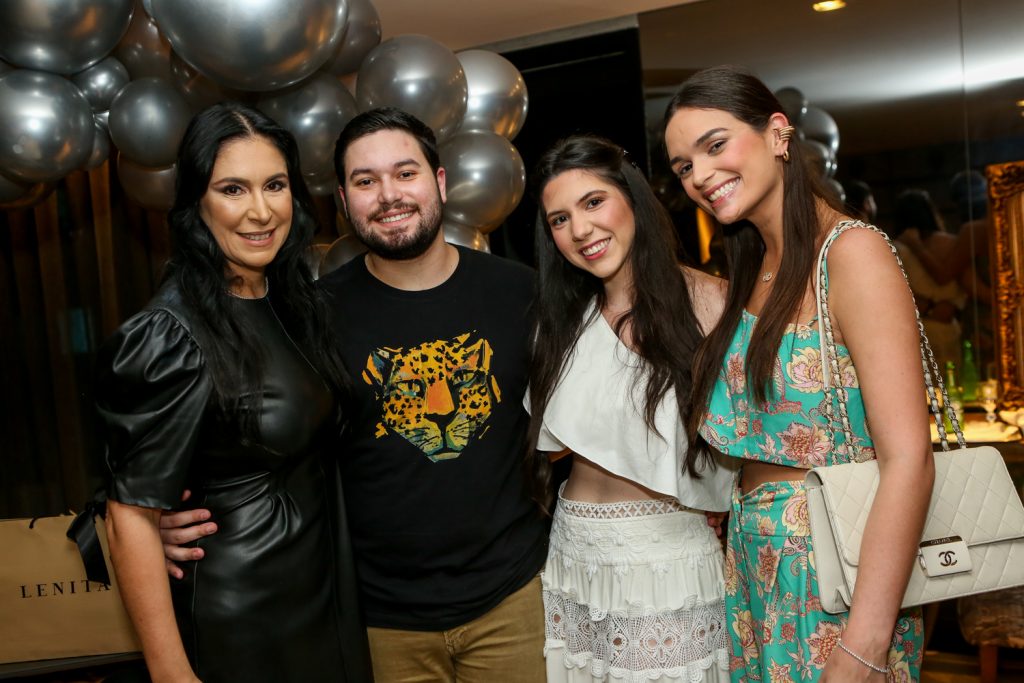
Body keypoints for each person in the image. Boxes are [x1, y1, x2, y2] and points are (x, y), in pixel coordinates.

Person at [159, 107, 550, 682]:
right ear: (343, 201)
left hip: (513, 601)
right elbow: (245, 433)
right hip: (376, 620)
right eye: (366, 181)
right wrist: (165, 520)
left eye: (405, 173)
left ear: (439, 182)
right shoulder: (309, 316)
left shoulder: (521, 293)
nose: (389, 195)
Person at [663, 66, 934, 681]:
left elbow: (909, 458)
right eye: (683, 167)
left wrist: (866, 641)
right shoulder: (756, 267)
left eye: (715, 145)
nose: (701, 176)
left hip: (839, 576)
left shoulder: (851, 252)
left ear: (778, 135)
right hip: (757, 570)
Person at [98, 103, 372, 682]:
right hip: (243, 618)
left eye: (274, 185)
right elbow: (129, 515)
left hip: (323, 600)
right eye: (232, 189)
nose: (260, 210)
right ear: (198, 202)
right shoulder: (169, 333)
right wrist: (174, 676)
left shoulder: (293, 302)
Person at [525, 135, 737, 681]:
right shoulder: (560, 321)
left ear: (632, 199)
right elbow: (551, 450)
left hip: (669, 560)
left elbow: (749, 436)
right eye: (559, 219)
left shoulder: (712, 302)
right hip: (575, 558)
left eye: (593, 202)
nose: (580, 230)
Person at [891, 188, 966, 370]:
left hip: (917, 328)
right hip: (948, 325)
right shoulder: (951, 242)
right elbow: (964, 284)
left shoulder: (894, 249)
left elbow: (894, 295)